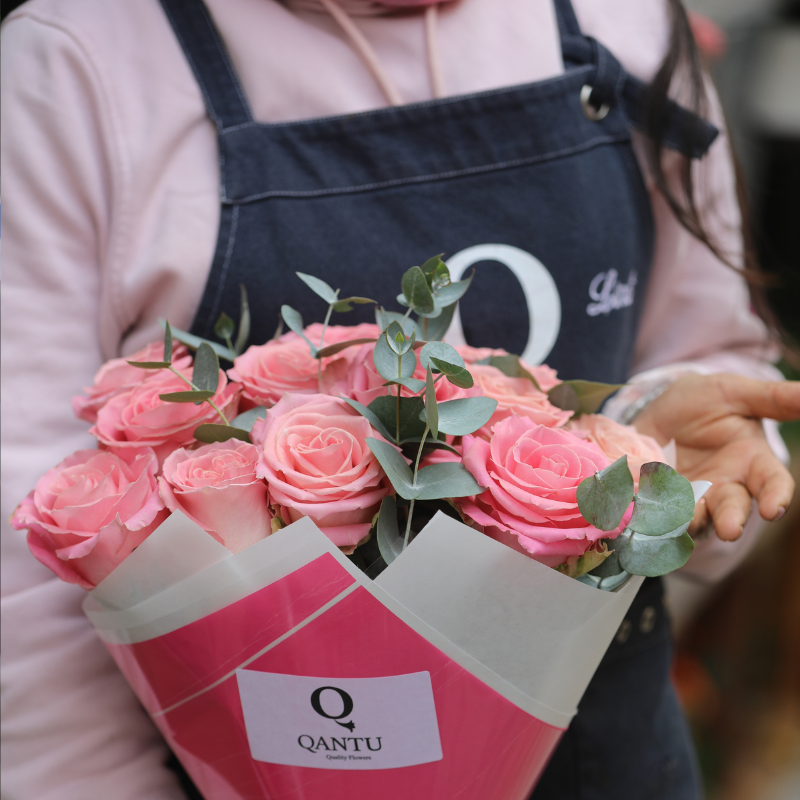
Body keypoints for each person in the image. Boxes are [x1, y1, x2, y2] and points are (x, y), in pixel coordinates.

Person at [1, 1, 798, 798]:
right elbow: (22, 532)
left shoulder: (623, 20)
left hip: (605, 763)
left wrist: (651, 453)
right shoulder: (78, 61)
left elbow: (701, 346)